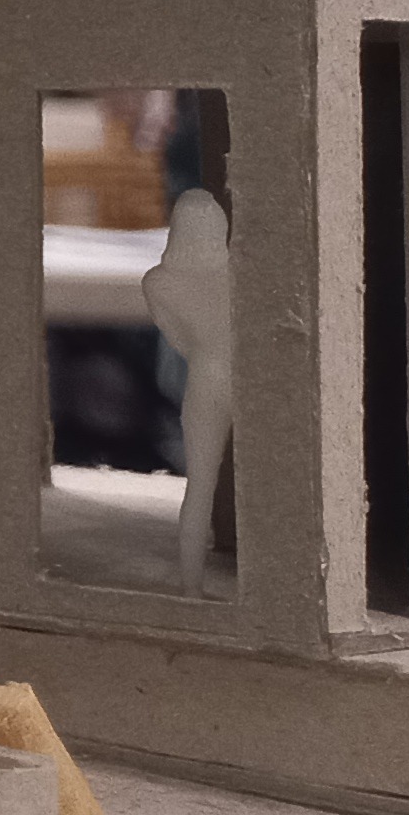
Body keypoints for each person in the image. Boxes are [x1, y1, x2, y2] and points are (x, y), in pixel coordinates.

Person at [148, 186, 236, 595]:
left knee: (200, 488)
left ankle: (191, 587)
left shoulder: (159, 283)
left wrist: (207, 353)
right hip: (244, 377)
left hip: (205, 378)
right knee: (265, 479)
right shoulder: (236, 273)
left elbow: (179, 340)